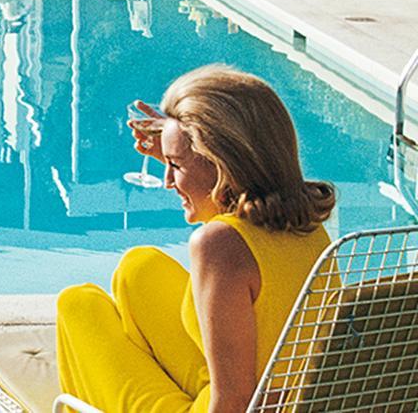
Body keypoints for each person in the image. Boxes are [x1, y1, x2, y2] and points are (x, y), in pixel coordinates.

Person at [56, 66, 335, 413]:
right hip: (281, 397)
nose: (167, 181)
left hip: (231, 404)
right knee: (138, 267)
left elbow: (232, 403)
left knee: (78, 304)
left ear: (221, 164)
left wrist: (181, 147)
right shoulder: (305, 223)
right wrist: (178, 142)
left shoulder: (220, 245)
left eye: (175, 166)